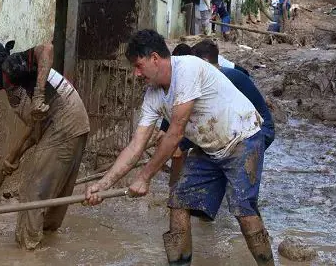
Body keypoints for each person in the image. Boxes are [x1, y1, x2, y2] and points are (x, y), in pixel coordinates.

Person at [85, 30, 275, 266]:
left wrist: (144, 177)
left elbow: (175, 133)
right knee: (178, 201)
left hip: (243, 137)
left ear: (155, 58)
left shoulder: (187, 69)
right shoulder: (153, 96)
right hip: (209, 147)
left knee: (243, 210)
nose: (136, 73)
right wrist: (103, 184)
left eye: (138, 66)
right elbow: (136, 145)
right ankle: (180, 264)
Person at [0, 39, 90, 250]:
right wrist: (15, 156)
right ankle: (47, 241)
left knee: (32, 190)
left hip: (64, 119)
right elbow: (35, 127)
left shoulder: (10, 65)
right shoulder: (16, 85)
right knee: (54, 190)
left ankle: (28, 251)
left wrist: (38, 95)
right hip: (75, 121)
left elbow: (46, 48)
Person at [192, 40, 274, 149]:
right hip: (248, 127)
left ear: (204, 62)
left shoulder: (222, 79)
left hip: (259, 130)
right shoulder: (223, 74)